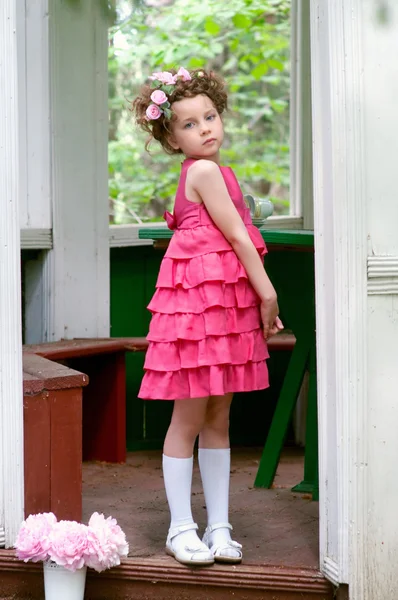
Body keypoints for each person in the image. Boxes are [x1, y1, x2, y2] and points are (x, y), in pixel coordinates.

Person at [132, 67, 283, 567]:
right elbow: (239, 238)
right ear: (172, 139)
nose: (205, 129)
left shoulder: (216, 172)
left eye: (210, 117)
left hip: (220, 306)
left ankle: (219, 528)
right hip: (199, 309)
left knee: (219, 417)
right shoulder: (203, 171)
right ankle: (181, 528)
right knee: (190, 417)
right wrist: (268, 294)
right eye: (190, 124)